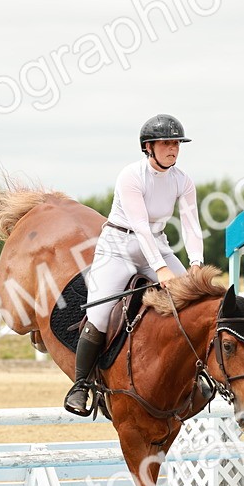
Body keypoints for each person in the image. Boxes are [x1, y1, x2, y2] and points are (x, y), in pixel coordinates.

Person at [64, 113, 204, 416]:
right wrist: (161, 269)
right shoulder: (131, 176)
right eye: (166, 143)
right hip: (118, 248)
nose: (173, 148)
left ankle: (198, 375)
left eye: (177, 143)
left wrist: (195, 264)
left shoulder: (183, 181)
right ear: (148, 147)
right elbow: (140, 226)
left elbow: (191, 225)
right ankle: (81, 385)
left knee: (194, 301)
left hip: (158, 245)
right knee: (100, 314)